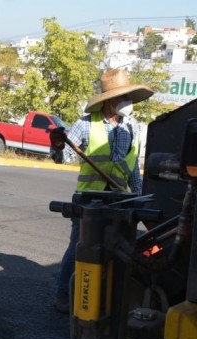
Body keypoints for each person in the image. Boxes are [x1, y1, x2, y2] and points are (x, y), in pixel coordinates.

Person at [50, 69, 153, 313]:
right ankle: (63, 293)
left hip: (121, 200)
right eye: (121, 98)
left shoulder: (132, 126)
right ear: (108, 100)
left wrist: (139, 199)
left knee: (119, 250)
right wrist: (56, 144)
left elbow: (132, 168)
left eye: (128, 97)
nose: (126, 103)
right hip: (90, 200)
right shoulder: (86, 125)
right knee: (80, 246)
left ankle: (106, 294)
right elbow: (62, 157)